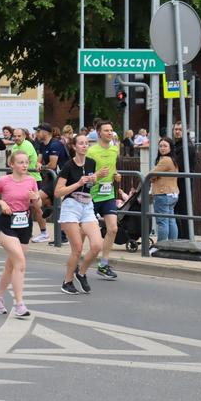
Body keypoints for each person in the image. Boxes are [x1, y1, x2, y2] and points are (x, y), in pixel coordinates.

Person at [0, 151, 42, 317]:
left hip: (24, 224)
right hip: (7, 224)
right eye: (21, 162)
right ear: (12, 165)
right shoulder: (4, 180)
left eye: (26, 162)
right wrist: (1, 202)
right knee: (20, 262)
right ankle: (19, 304)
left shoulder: (31, 180)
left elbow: (37, 205)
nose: (25, 165)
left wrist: (36, 197)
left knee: (11, 266)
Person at [54, 134, 103, 294]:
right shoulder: (68, 166)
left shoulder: (91, 162)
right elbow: (58, 192)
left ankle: (81, 273)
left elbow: (90, 184)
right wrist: (78, 183)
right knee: (77, 248)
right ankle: (67, 282)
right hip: (71, 206)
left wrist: (93, 179)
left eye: (87, 143)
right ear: (74, 147)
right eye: (81, 144)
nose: (84, 146)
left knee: (97, 245)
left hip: (87, 205)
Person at [86, 120, 120, 279]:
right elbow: (85, 175)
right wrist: (96, 176)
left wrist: (116, 175)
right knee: (82, 233)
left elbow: (113, 168)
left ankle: (103, 264)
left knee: (113, 229)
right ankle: (76, 261)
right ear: (99, 132)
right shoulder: (92, 152)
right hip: (92, 195)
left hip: (108, 195)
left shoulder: (114, 150)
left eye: (111, 130)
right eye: (106, 130)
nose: (110, 133)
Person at [33, 122, 69, 243]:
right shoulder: (43, 144)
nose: (36, 133)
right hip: (52, 179)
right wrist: (39, 164)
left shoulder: (55, 145)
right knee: (39, 201)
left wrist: (41, 166)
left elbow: (52, 165)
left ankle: (61, 236)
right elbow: (38, 161)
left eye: (38, 131)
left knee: (36, 198)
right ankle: (49, 207)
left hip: (62, 179)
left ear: (46, 132)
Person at [11, 128, 44, 241]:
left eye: (19, 136)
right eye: (14, 136)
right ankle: (26, 231)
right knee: (24, 206)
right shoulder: (14, 147)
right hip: (21, 179)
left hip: (33, 179)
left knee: (36, 206)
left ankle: (44, 232)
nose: (16, 138)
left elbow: (23, 162)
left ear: (24, 136)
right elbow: (11, 162)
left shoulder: (27, 145)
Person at [150, 137, 180, 242]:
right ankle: (172, 244)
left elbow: (151, 175)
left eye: (165, 146)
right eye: (160, 146)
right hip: (173, 194)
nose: (162, 148)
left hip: (162, 194)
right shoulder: (173, 160)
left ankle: (161, 246)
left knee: (162, 222)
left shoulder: (165, 160)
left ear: (171, 148)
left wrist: (153, 178)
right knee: (171, 220)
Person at [172, 121, 195, 239]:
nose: (177, 131)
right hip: (177, 183)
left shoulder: (187, 147)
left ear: (186, 131)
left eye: (180, 129)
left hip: (183, 183)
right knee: (177, 211)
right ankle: (180, 236)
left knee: (183, 210)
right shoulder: (178, 145)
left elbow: (177, 165)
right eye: (175, 129)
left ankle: (185, 237)